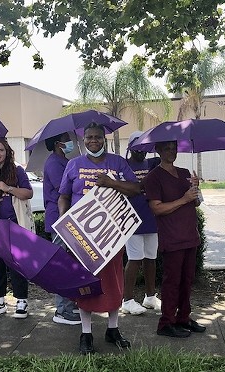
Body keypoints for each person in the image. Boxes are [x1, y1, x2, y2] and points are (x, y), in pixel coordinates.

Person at [58, 123, 141, 354]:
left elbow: (136, 188)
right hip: (82, 236)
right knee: (86, 284)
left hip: (111, 233)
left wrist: (111, 182)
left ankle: (113, 328)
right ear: (84, 140)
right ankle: (86, 333)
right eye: (89, 137)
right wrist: (63, 226)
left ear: (104, 139)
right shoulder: (74, 164)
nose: (93, 140)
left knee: (114, 282)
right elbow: (64, 196)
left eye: (97, 137)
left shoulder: (117, 163)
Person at [143, 140, 206, 338]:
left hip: (190, 235)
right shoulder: (153, 178)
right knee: (172, 282)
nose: (171, 152)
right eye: (167, 148)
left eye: (174, 148)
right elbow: (157, 208)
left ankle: (183, 318)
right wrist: (184, 199)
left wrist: (196, 191)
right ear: (158, 150)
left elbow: (195, 202)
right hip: (172, 237)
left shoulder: (185, 172)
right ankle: (166, 322)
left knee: (187, 281)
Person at [0, 137, 34, 319]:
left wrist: (7, 187)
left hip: (13, 224)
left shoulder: (17, 170)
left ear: (7, 152)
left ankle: (21, 300)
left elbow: (28, 193)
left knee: (16, 262)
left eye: (1, 150)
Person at [43, 132, 81, 325]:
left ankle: (68, 304)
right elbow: (63, 189)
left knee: (68, 262)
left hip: (65, 219)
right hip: (58, 218)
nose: (70, 143)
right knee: (61, 263)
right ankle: (62, 310)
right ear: (58, 143)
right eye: (67, 140)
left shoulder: (64, 161)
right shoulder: (53, 163)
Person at [121, 131, 161, 315]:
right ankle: (127, 299)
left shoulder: (152, 164)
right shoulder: (124, 165)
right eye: (137, 147)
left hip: (151, 218)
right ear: (130, 147)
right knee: (134, 259)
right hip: (131, 219)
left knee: (151, 259)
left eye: (144, 147)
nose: (141, 151)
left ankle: (150, 297)